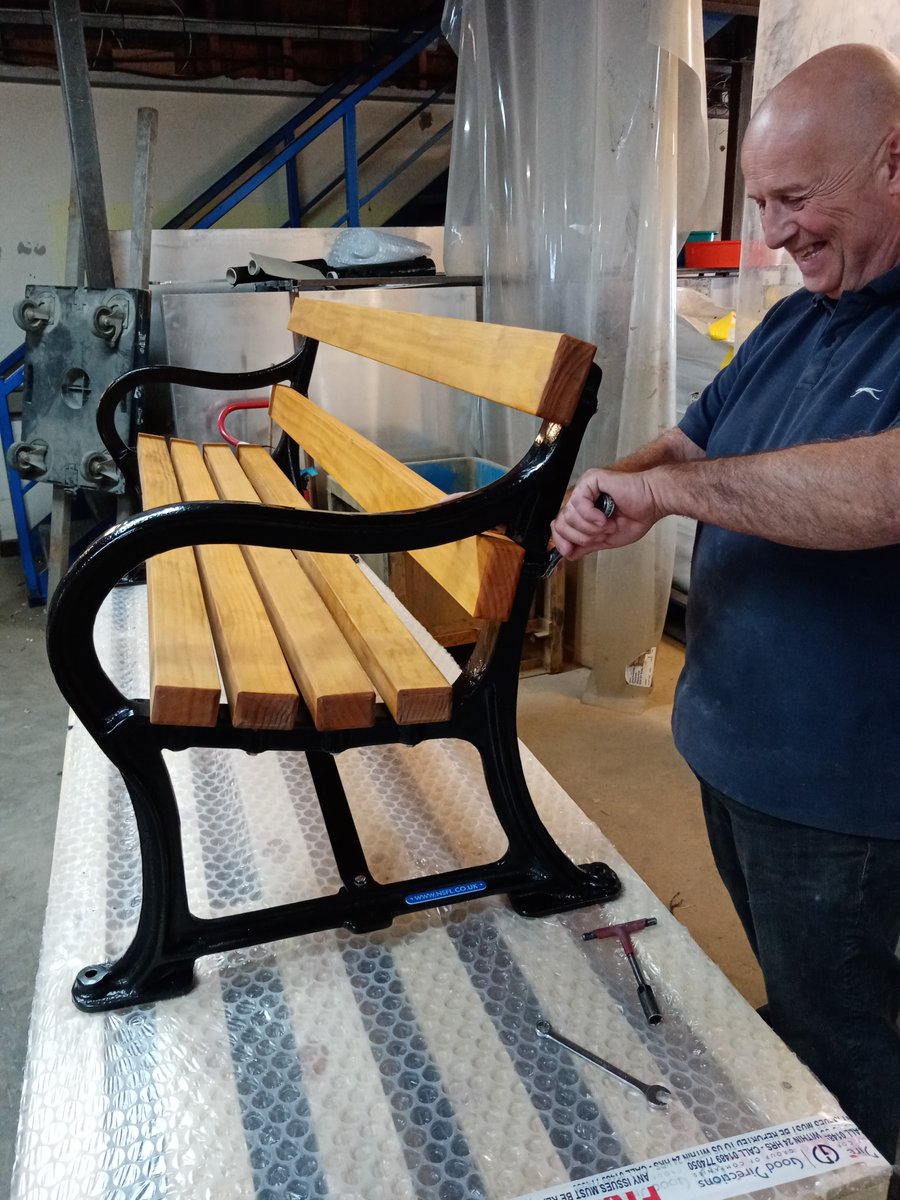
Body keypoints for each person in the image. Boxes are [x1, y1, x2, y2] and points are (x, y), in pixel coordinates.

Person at [551, 42, 900, 1169]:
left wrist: (664, 493)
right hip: (736, 749)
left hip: (846, 788)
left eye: (796, 198)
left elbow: (882, 488)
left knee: (851, 1027)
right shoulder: (805, 314)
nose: (776, 233)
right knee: (805, 992)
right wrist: (611, 488)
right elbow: (695, 443)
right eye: (760, 204)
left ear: (894, 161)